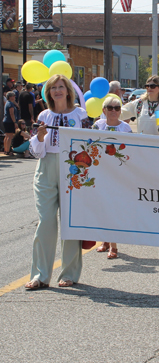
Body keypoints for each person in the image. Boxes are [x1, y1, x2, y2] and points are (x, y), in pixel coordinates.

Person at [25, 74, 92, 290]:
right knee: (45, 221)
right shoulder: (44, 115)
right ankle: (40, 275)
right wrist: (41, 137)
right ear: (48, 92)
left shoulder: (80, 114)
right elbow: (35, 151)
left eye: (61, 86)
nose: (57, 91)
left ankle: (69, 273)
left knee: (69, 221)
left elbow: (89, 144)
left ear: (68, 90)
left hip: (71, 167)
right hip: (46, 167)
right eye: (53, 87)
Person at [92, 96, 133, 259]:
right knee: (102, 207)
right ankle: (106, 240)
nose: (114, 111)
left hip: (118, 173)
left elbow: (131, 151)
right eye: (110, 108)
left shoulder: (126, 128)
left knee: (113, 208)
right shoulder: (98, 126)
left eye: (117, 108)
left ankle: (114, 246)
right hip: (101, 171)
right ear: (104, 110)